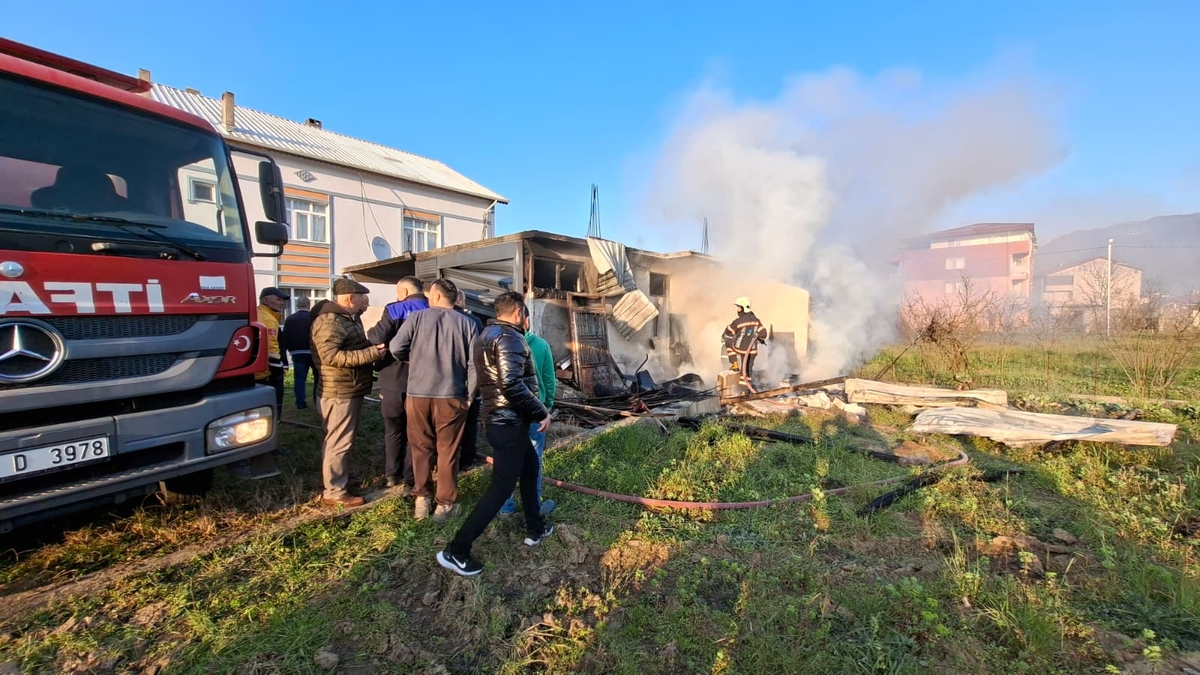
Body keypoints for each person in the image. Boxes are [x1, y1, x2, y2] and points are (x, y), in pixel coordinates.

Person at [437, 291, 553, 577]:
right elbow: (513, 385)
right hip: (509, 424)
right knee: (501, 488)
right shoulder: (511, 338)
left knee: (530, 469)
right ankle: (457, 549)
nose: (527, 320)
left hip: (500, 420)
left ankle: (535, 528)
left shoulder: (485, 335)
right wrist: (541, 411)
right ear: (518, 313)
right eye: (526, 315)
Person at [389, 279, 479, 522]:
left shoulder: (417, 318)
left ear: (437, 296)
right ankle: (444, 506)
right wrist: (469, 396)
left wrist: (413, 358)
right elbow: (474, 365)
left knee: (420, 448)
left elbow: (395, 347)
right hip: (451, 396)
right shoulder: (468, 324)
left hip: (418, 394)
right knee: (448, 451)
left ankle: (421, 499)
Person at [310, 278, 387, 507]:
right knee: (338, 441)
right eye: (363, 297)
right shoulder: (330, 320)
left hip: (345, 387)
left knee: (337, 439)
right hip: (339, 391)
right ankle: (335, 491)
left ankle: (337, 480)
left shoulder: (345, 318)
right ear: (350, 298)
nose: (366, 301)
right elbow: (331, 357)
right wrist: (372, 354)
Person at [366, 277, 429, 493]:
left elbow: (376, 336)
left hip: (393, 378)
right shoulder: (434, 309)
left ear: (403, 291)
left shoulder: (395, 309)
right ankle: (411, 477)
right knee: (417, 431)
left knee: (393, 429)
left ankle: (392, 474)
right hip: (424, 380)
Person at [499, 311, 556, 516]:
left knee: (506, 461)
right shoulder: (540, 345)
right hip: (535, 415)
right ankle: (533, 506)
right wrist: (546, 407)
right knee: (534, 463)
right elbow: (549, 381)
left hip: (506, 415)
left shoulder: (495, 343)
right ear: (526, 320)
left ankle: (505, 507)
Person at [453, 290, 485, 472]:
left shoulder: (434, 319)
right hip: (468, 382)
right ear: (459, 300)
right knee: (470, 423)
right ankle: (467, 460)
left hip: (444, 384)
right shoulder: (473, 322)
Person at [256, 287, 290, 417]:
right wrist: (277, 371)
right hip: (266, 373)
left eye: (282, 300)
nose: (282, 303)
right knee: (272, 403)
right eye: (278, 299)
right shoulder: (268, 319)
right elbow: (271, 348)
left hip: (257, 372)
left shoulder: (259, 314)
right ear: (265, 300)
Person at [722, 296, 767, 394]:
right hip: (752, 351)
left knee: (727, 340)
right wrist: (757, 336)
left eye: (738, 307)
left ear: (742, 308)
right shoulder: (756, 320)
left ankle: (734, 363)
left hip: (740, 348)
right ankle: (745, 390)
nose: (737, 309)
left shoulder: (738, 321)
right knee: (747, 371)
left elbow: (728, 332)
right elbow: (763, 334)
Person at [283, 296, 318, 410]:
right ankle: (316, 400)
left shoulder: (290, 319)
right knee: (318, 377)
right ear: (309, 305)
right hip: (313, 351)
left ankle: (300, 403)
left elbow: (285, 336)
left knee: (299, 379)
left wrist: (290, 349)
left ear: (298, 305)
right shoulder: (314, 318)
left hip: (297, 353)